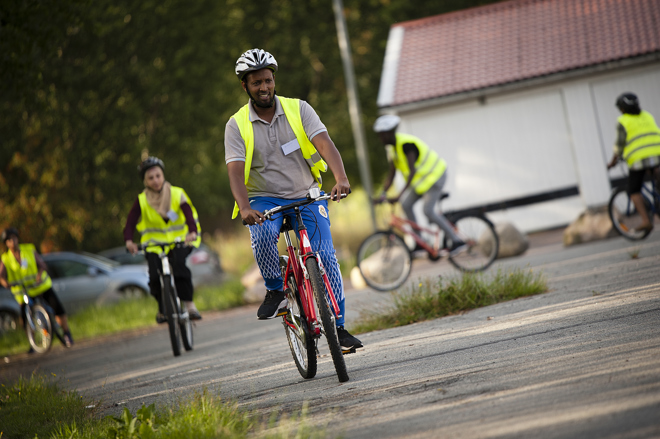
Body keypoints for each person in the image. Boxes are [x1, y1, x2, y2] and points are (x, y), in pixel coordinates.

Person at [224, 48, 362, 350]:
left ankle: (338, 327)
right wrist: (245, 207)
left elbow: (324, 143)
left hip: (307, 194)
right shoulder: (236, 125)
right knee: (261, 235)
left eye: (268, 81)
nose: (264, 88)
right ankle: (275, 289)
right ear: (245, 86)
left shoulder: (299, 109)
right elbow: (235, 171)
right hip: (264, 200)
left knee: (325, 257)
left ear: (274, 80)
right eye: (257, 83)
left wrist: (341, 178)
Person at [372, 114, 467, 255]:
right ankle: (420, 242)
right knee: (406, 205)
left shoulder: (406, 145)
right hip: (421, 184)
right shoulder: (393, 150)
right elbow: (391, 174)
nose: (380, 139)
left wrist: (399, 194)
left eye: (382, 135)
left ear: (390, 133)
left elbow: (412, 171)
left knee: (427, 211)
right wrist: (383, 194)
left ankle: (457, 241)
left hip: (435, 177)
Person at [124, 156, 203, 323]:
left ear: (163, 175)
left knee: (180, 268)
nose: (155, 181)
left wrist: (192, 232)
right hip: (154, 245)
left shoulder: (177, 193)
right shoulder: (142, 200)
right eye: (150, 178)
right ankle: (162, 309)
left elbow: (188, 214)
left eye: (158, 176)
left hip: (179, 241)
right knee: (153, 278)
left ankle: (190, 306)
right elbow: (130, 222)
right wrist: (129, 241)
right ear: (145, 181)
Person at [0, 227, 73, 349]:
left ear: (17, 239)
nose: (12, 242)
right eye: (9, 240)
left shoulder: (28, 249)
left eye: (13, 238)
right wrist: (5, 283)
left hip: (40, 286)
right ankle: (32, 342)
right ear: (6, 243)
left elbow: (42, 265)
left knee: (57, 308)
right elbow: (1, 276)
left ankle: (66, 333)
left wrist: (39, 275)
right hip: (23, 292)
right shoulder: (5, 258)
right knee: (25, 317)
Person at [607, 92, 660, 233]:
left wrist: (612, 163)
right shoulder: (647, 115)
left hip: (639, 158)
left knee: (634, 190)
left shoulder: (623, 121)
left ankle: (645, 221)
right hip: (658, 154)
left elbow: (619, 146)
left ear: (622, 109)